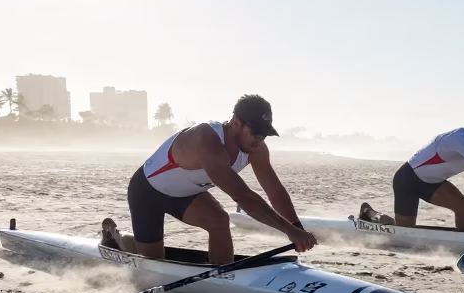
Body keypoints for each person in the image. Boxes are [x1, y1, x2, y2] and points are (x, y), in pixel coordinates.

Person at [105, 94, 316, 265]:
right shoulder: (206, 140)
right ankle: (116, 236)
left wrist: (297, 227)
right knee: (152, 262)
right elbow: (245, 198)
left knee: (219, 221)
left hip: (185, 194)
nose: (259, 140)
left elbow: (275, 191)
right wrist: (291, 232)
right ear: (235, 123)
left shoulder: (256, 149)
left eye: (264, 135)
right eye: (255, 133)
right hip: (148, 193)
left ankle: (224, 278)